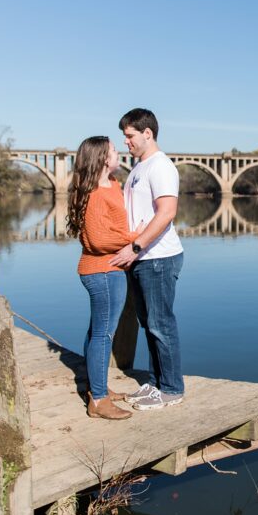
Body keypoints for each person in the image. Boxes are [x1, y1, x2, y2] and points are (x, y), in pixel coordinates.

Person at [108, 108, 185, 411]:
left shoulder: (161, 167)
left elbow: (167, 212)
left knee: (161, 324)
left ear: (147, 133)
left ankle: (171, 389)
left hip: (158, 258)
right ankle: (155, 384)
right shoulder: (140, 168)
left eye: (129, 135)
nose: (125, 141)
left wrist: (135, 248)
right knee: (149, 324)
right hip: (144, 259)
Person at [67, 135, 143, 420]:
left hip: (108, 270)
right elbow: (100, 239)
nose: (118, 152)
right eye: (112, 150)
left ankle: (97, 387)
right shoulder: (96, 194)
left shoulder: (111, 185)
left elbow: (113, 225)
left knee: (96, 331)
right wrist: (138, 237)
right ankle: (98, 400)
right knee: (103, 334)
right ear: (101, 158)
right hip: (103, 271)